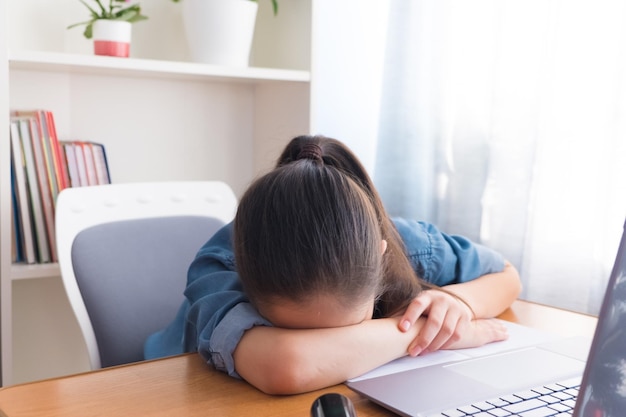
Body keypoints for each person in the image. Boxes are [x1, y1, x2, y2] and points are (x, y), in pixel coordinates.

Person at [145, 135, 522, 395]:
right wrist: (425, 332)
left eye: (345, 330)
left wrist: (457, 305)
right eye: (304, 333)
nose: (333, 343)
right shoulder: (222, 265)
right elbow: (287, 365)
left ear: (379, 253)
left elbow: (506, 275)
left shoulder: (407, 245)